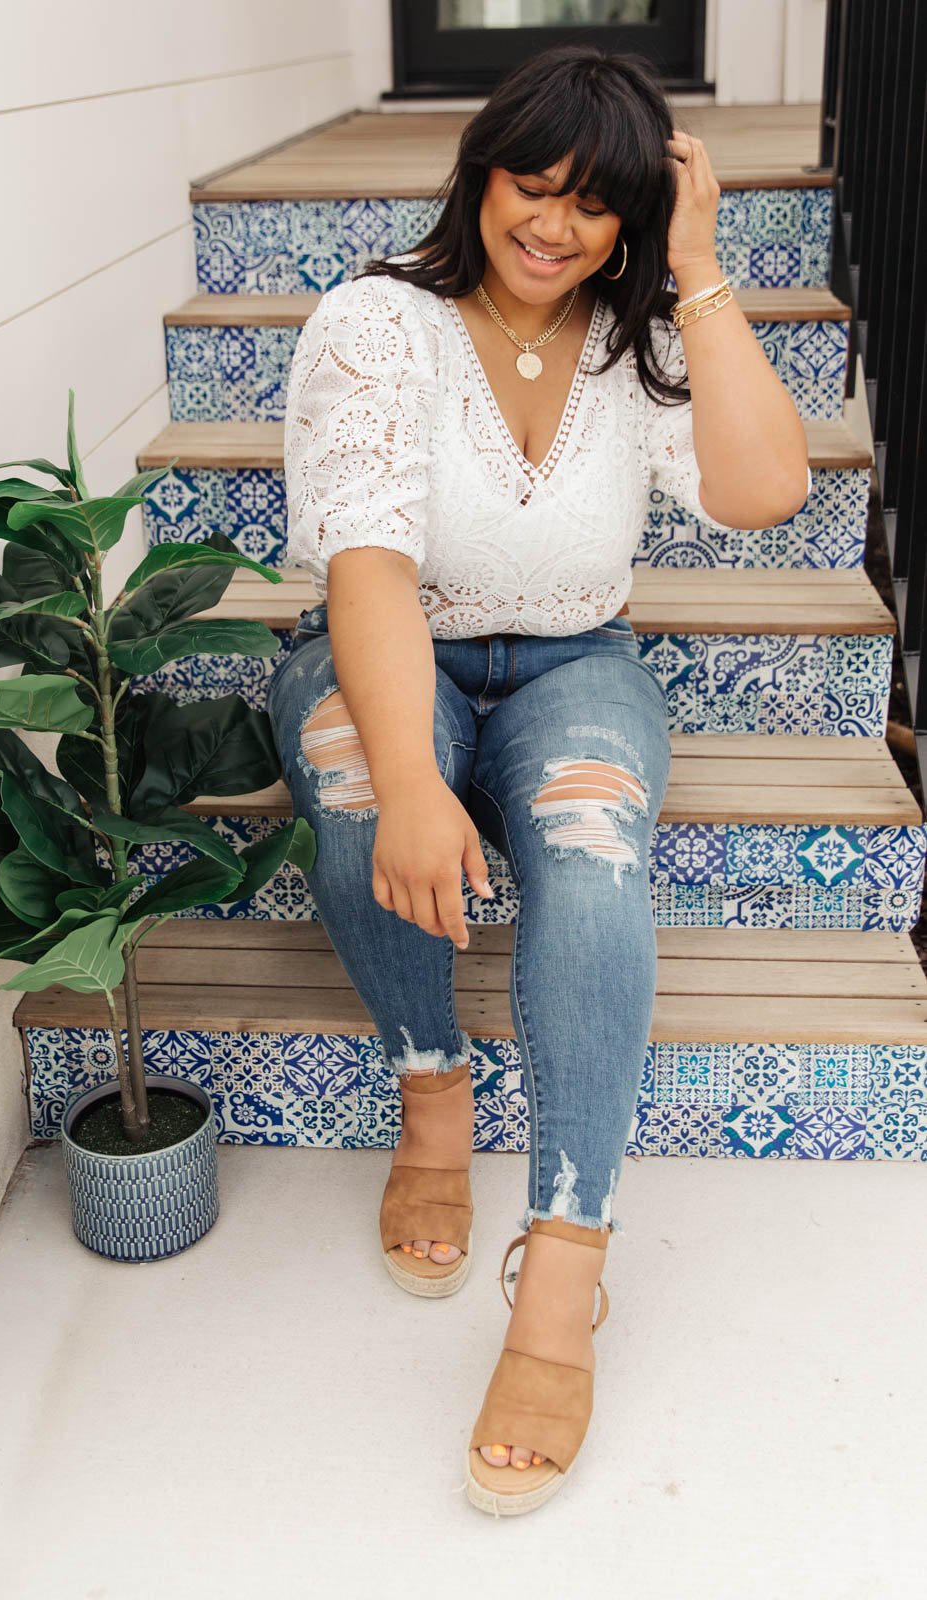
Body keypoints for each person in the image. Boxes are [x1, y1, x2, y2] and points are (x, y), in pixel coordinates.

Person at [265, 42, 811, 1517]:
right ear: (482, 173)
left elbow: (766, 490)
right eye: (533, 183)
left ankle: (563, 1272)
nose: (554, 225)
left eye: (596, 202)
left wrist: (699, 263)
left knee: (587, 846)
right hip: (394, 650)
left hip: (576, 661)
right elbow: (368, 566)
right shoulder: (379, 325)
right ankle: (430, 1091)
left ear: (631, 219)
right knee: (363, 783)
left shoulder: (641, 344)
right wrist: (415, 775)